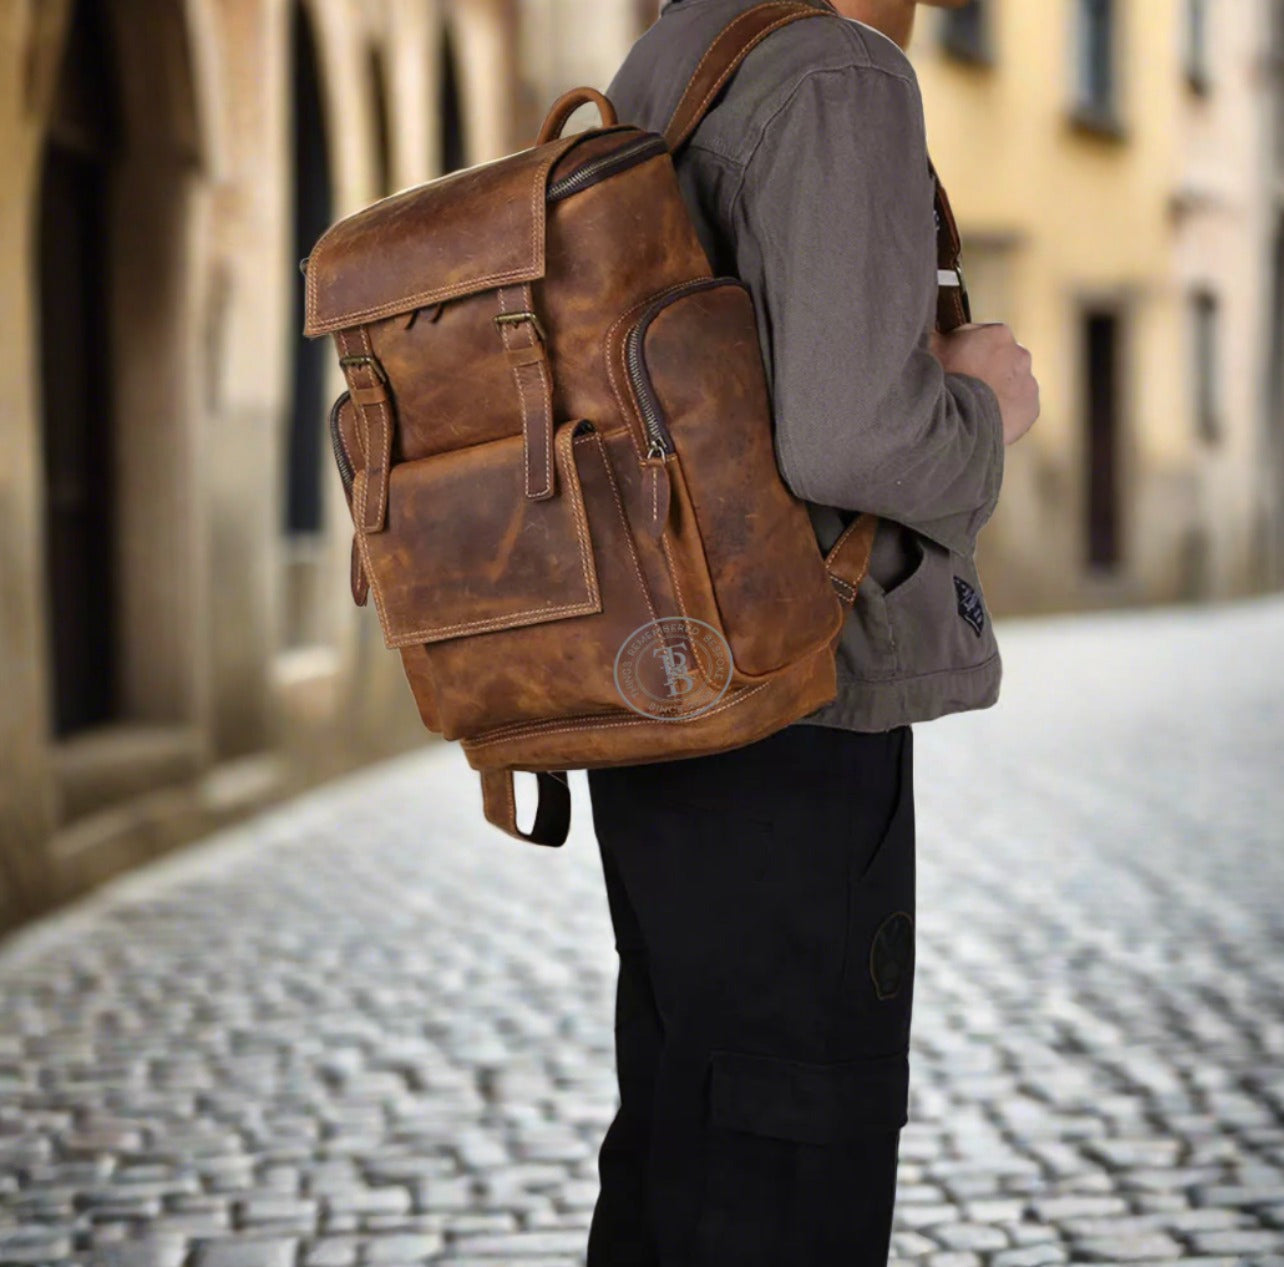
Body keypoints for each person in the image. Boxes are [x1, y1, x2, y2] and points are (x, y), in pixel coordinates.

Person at [584, 1, 1041, 1264]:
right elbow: (850, 436)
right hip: (794, 692)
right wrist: (986, 406)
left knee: (683, 1139)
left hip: (665, 685)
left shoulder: (673, 54)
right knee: (789, 1162)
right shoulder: (839, 72)